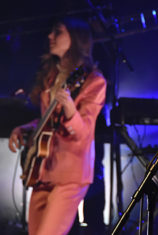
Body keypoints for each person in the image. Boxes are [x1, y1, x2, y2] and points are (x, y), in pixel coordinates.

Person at [8, 17, 106, 235]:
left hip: (69, 174)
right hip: (42, 170)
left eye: (58, 32)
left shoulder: (93, 81)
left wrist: (70, 109)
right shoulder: (51, 77)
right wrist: (24, 128)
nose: (50, 37)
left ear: (76, 39)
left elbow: (83, 132)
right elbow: (47, 121)